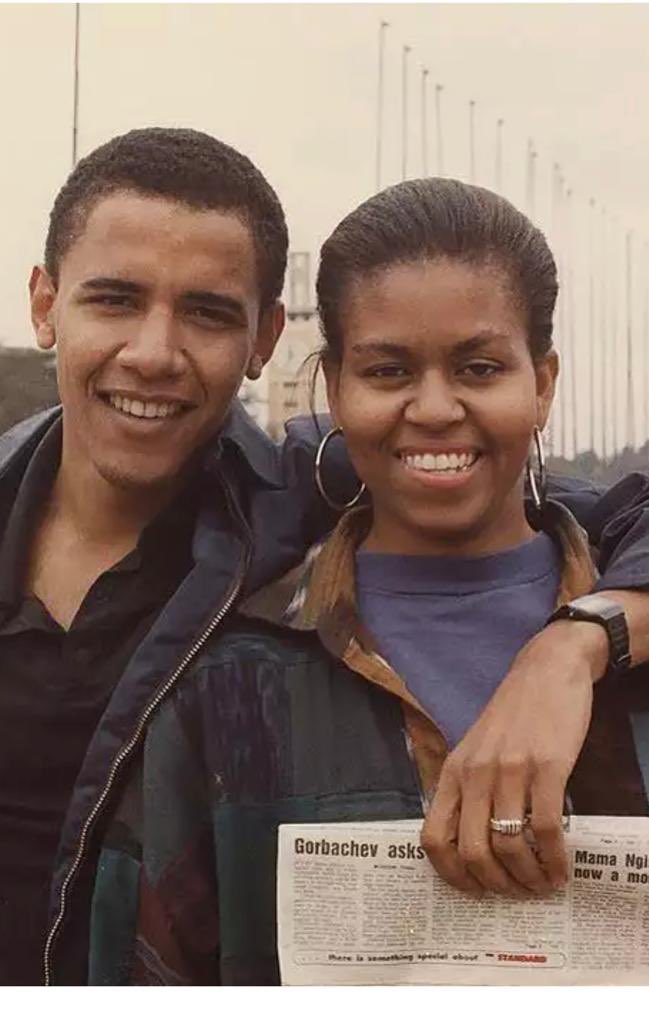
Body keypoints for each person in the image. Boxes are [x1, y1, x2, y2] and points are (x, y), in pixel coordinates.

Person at [2, 131, 649, 987]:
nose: (154, 353)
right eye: (115, 300)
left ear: (265, 339)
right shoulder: (243, 656)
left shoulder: (289, 505)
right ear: (45, 304)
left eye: (207, 313)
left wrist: (577, 644)